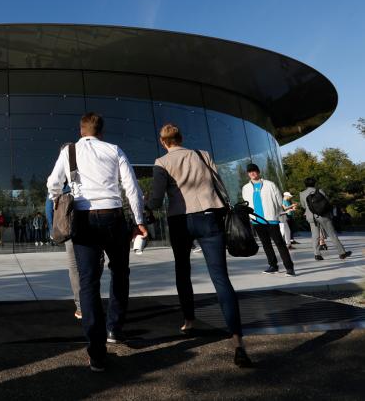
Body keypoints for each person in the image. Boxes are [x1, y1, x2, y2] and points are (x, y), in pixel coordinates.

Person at [47, 112, 146, 372]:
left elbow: (53, 184)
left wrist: (58, 199)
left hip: (83, 218)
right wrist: (138, 220)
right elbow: (131, 188)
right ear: (100, 131)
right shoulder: (114, 150)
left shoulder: (69, 151)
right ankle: (114, 327)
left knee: (88, 283)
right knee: (120, 273)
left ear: (81, 131)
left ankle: (97, 351)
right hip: (113, 216)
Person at [149, 123, 251, 368]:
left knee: (183, 271)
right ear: (181, 138)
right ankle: (237, 341)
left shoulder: (161, 162)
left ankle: (189, 320)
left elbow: (156, 197)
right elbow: (219, 184)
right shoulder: (202, 155)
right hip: (209, 217)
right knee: (220, 277)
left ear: (164, 142)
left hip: (179, 220)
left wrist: (147, 208)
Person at [241, 164, 295, 276]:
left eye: (254, 171)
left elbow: (279, 201)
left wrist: (278, 214)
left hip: (271, 219)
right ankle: (273, 266)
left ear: (258, 172)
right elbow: (246, 203)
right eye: (250, 171)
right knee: (266, 244)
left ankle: (289, 268)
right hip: (256, 220)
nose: (252, 173)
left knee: (280, 243)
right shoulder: (245, 188)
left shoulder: (270, 184)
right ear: (248, 174)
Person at [47, 193, 82, 320]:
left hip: (70, 225)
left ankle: (81, 307)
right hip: (88, 221)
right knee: (93, 262)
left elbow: (49, 202)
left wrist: (53, 228)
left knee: (74, 266)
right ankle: (89, 303)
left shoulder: (62, 176)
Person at [299, 178, 352, 262]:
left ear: (305, 184)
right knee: (332, 234)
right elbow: (327, 202)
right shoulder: (320, 191)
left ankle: (317, 254)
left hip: (310, 216)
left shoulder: (302, 193)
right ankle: (342, 253)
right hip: (322, 215)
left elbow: (303, 206)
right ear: (314, 183)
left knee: (315, 235)